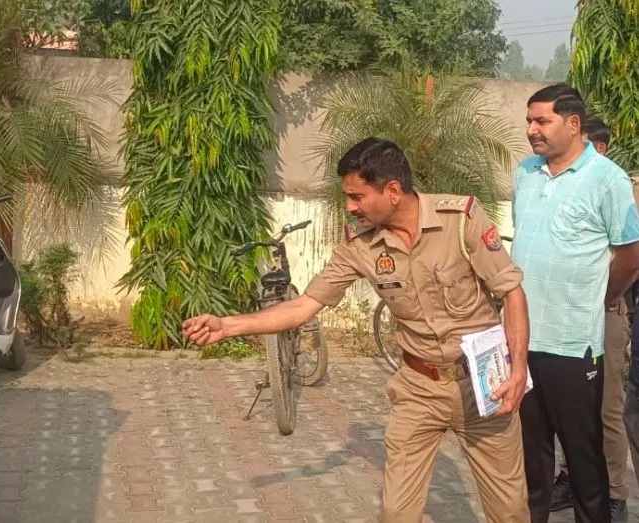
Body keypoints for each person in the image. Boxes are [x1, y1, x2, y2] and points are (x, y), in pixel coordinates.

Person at [183, 138, 532, 522]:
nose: (350, 207)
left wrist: (517, 372)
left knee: (510, 510)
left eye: (357, 196)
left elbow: (511, 292)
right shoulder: (359, 246)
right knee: (397, 512)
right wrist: (228, 325)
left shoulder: (461, 218)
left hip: (483, 385)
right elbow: (303, 306)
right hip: (418, 389)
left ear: (393, 191)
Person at [511, 83, 639, 523]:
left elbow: (629, 255)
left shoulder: (608, 179)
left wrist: (607, 296)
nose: (532, 130)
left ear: (573, 124)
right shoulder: (525, 173)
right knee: (531, 462)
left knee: (584, 463)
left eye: (541, 120)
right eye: (529, 120)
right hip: (521, 342)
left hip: (573, 346)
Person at [549, 115, 632, 522]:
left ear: (597, 148)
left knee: (607, 409)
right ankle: (568, 476)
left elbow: (630, 257)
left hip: (607, 312)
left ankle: (615, 492)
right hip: (566, 317)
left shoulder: (619, 190)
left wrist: (610, 296)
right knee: (567, 407)